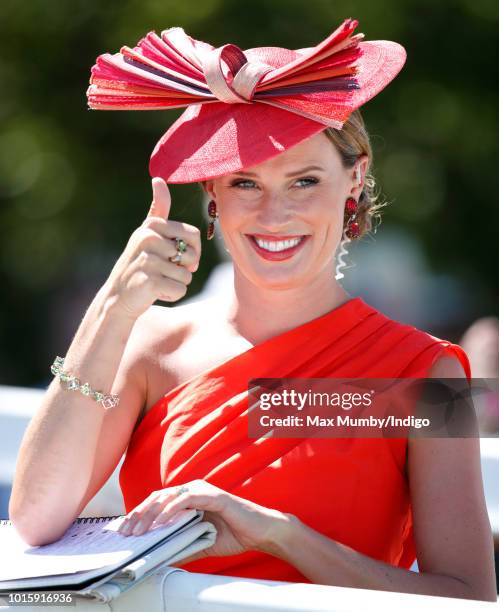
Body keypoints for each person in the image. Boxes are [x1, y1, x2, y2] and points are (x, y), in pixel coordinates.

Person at [9, 19, 497, 602]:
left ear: (355, 176)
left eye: (303, 181)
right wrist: (113, 306)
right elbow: (35, 519)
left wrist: (281, 536)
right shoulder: (152, 347)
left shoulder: (431, 371)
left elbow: (469, 599)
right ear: (212, 193)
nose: (273, 214)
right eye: (245, 183)